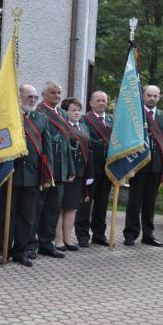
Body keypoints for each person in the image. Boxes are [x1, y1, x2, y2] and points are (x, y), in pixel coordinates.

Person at [0, 84, 53, 267]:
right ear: (19, 97)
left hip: (32, 176)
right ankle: (3, 250)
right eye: (29, 97)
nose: (33, 100)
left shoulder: (41, 119)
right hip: (10, 174)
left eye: (35, 97)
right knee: (7, 214)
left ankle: (21, 251)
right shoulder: (7, 116)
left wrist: (47, 175)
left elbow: (47, 149)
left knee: (27, 217)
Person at [30, 81, 75, 259]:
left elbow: (67, 144)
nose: (57, 96)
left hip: (61, 169)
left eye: (59, 93)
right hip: (45, 168)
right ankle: (31, 244)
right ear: (44, 95)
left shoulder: (63, 113)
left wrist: (70, 168)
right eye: (53, 93)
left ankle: (46, 243)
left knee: (53, 208)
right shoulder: (38, 112)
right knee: (38, 207)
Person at [123, 85, 163, 246]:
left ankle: (148, 234)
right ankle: (130, 234)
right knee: (134, 202)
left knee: (150, 203)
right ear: (143, 96)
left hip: (156, 167)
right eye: (149, 95)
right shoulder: (135, 115)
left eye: (155, 96)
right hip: (138, 166)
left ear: (159, 97)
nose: (152, 98)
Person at [75, 90, 113, 246]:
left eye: (104, 100)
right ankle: (82, 235)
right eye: (98, 100)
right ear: (91, 103)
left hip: (108, 169)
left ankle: (99, 234)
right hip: (90, 169)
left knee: (102, 204)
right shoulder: (84, 120)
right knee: (85, 203)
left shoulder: (112, 119)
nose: (101, 103)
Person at [55, 97, 94, 251]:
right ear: (65, 112)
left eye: (79, 110)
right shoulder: (61, 127)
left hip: (79, 174)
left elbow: (89, 151)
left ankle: (68, 239)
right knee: (59, 207)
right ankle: (58, 240)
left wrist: (89, 174)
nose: (77, 113)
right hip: (64, 173)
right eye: (73, 110)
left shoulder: (84, 127)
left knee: (71, 207)